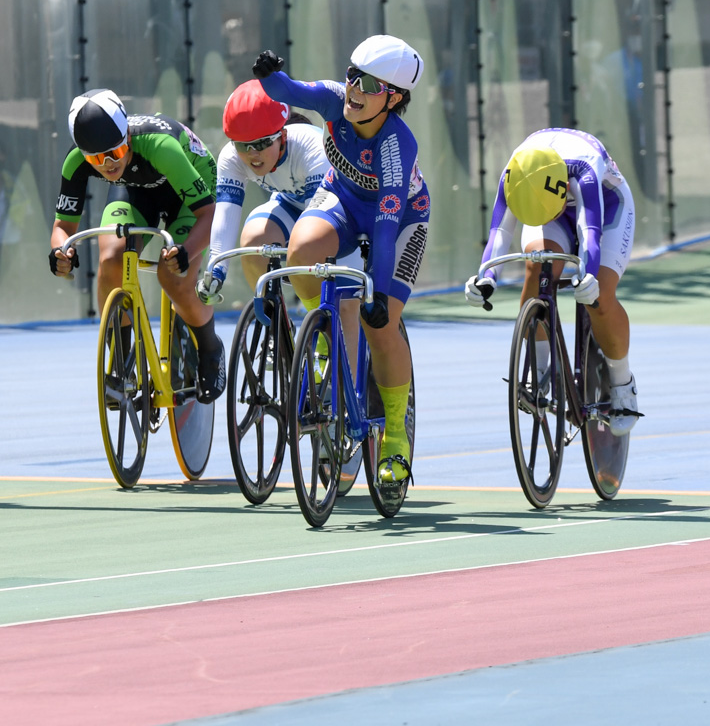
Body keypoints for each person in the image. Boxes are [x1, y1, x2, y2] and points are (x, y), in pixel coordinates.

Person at [251, 35, 429, 506]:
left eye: (368, 83)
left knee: (382, 322)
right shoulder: (335, 100)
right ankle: (325, 335)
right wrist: (268, 73)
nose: (353, 87)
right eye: (352, 73)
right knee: (300, 251)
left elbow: (387, 231)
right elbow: (287, 92)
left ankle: (394, 435)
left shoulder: (396, 147)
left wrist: (376, 295)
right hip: (344, 201)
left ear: (393, 97)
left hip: (399, 221)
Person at [47, 88, 226, 404]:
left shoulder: (162, 148)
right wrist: (61, 251)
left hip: (190, 193)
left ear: (127, 136)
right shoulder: (77, 161)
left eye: (114, 154)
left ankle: (210, 347)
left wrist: (186, 251)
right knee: (111, 259)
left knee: (171, 277)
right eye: (95, 160)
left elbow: (210, 216)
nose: (106, 165)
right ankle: (122, 364)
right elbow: (63, 227)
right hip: (137, 190)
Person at [465, 128, 641, 437]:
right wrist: (486, 277)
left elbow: (589, 229)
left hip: (607, 206)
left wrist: (588, 275)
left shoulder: (583, 169)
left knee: (600, 294)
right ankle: (541, 371)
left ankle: (622, 383)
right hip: (549, 212)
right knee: (537, 269)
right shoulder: (514, 172)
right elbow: (500, 232)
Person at [196, 79, 332, 301]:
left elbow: (315, 229)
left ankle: (321, 325)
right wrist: (217, 270)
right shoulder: (231, 157)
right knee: (252, 241)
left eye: (260, 144)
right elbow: (225, 215)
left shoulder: (312, 147)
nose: (252, 155)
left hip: (336, 211)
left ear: (283, 136)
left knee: (343, 308)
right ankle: (275, 321)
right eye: (242, 145)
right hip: (291, 202)